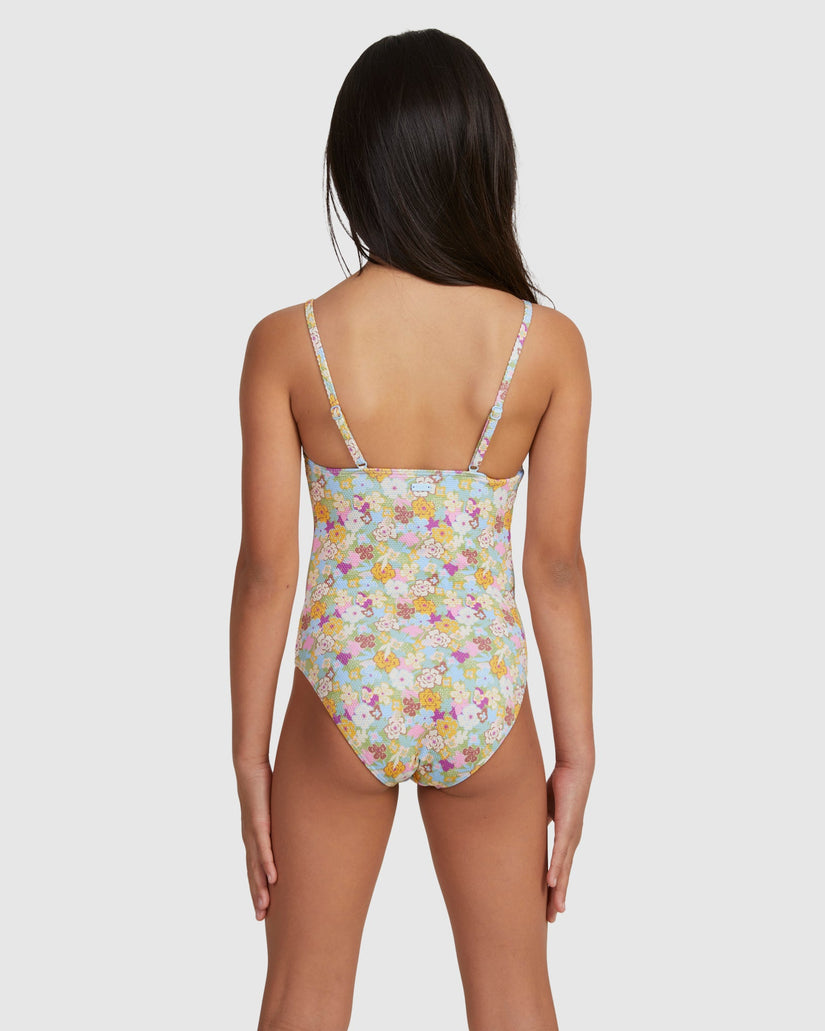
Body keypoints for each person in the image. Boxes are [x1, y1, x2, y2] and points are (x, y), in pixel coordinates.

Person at [229, 27, 595, 1031]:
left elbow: (266, 571)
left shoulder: (289, 343)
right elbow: (555, 568)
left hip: (341, 688)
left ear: (354, 168)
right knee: (516, 998)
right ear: (485, 162)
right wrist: (576, 750)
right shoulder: (546, 346)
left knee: (302, 997)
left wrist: (250, 759)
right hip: (484, 692)